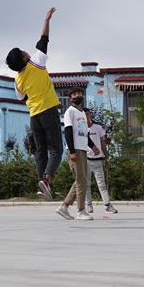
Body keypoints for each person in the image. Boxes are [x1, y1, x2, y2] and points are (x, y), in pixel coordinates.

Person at [6, 7, 62, 201]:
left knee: (40, 150)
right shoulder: (37, 62)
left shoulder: (18, 80)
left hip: (34, 115)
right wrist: (47, 19)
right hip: (47, 110)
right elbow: (44, 39)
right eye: (22, 51)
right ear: (24, 57)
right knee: (56, 149)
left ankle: (41, 185)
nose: (26, 50)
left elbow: (21, 99)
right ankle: (46, 180)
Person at [56, 90, 92, 220]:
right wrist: (71, 151)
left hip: (82, 149)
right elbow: (68, 131)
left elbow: (84, 133)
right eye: (74, 95)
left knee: (81, 180)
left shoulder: (82, 113)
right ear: (70, 98)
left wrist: (92, 146)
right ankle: (81, 210)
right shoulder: (69, 112)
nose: (77, 96)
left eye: (79, 94)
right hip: (75, 149)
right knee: (81, 180)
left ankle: (64, 207)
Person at [84, 109, 117, 215]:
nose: (86, 116)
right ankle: (88, 205)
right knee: (86, 184)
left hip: (97, 160)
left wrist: (106, 157)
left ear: (90, 115)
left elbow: (103, 143)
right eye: (84, 115)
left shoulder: (98, 127)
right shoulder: (80, 128)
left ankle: (107, 205)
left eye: (88, 114)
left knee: (101, 184)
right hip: (85, 160)